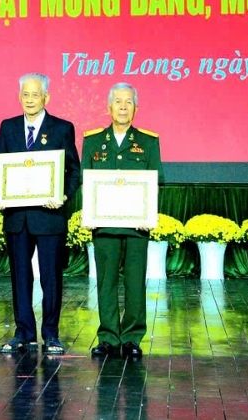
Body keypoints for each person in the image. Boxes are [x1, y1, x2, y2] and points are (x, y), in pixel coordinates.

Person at [0, 73, 81, 356]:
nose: (30, 99)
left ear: (46, 97)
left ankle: (51, 333)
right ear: (20, 97)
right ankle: (23, 332)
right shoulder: (9, 127)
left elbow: (73, 170)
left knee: (50, 276)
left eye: (35, 94)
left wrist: (63, 195)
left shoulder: (62, 128)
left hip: (49, 216)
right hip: (17, 216)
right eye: (25, 94)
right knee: (19, 275)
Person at [81, 82, 163, 359]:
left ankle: (131, 338)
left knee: (134, 282)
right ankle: (108, 337)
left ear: (136, 108)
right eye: (118, 102)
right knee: (105, 282)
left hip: (136, 227)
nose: (123, 107)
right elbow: (86, 181)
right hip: (104, 226)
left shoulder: (148, 142)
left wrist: (148, 215)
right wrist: (89, 213)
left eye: (129, 102)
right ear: (109, 107)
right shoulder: (92, 141)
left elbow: (157, 180)